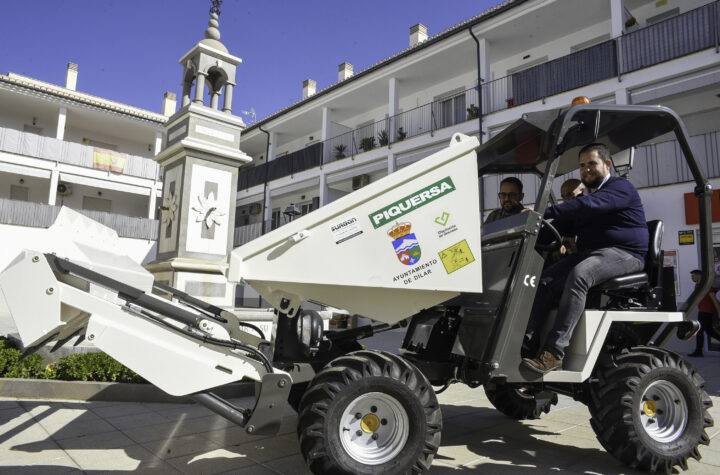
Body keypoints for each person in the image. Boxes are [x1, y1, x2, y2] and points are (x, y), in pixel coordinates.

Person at [522, 143, 648, 373]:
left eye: (592, 163)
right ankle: (526, 344)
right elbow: (561, 224)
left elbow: (584, 205)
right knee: (543, 281)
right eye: (582, 165)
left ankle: (554, 352)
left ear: (607, 164)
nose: (586, 169)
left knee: (581, 274)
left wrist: (541, 211)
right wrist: (527, 230)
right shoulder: (588, 200)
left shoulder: (620, 188)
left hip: (626, 254)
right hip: (592, 254)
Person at [688, 269, 720, 357]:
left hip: (707, 312)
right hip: (702, 311)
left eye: (693, 276)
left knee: (699, 331)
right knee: (710, 332)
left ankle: (699, 351)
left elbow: (714, 299)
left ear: (699, 276)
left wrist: (719, 311)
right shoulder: (697, 286)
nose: (692, 278)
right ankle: (698, 351)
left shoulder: (706, 286)